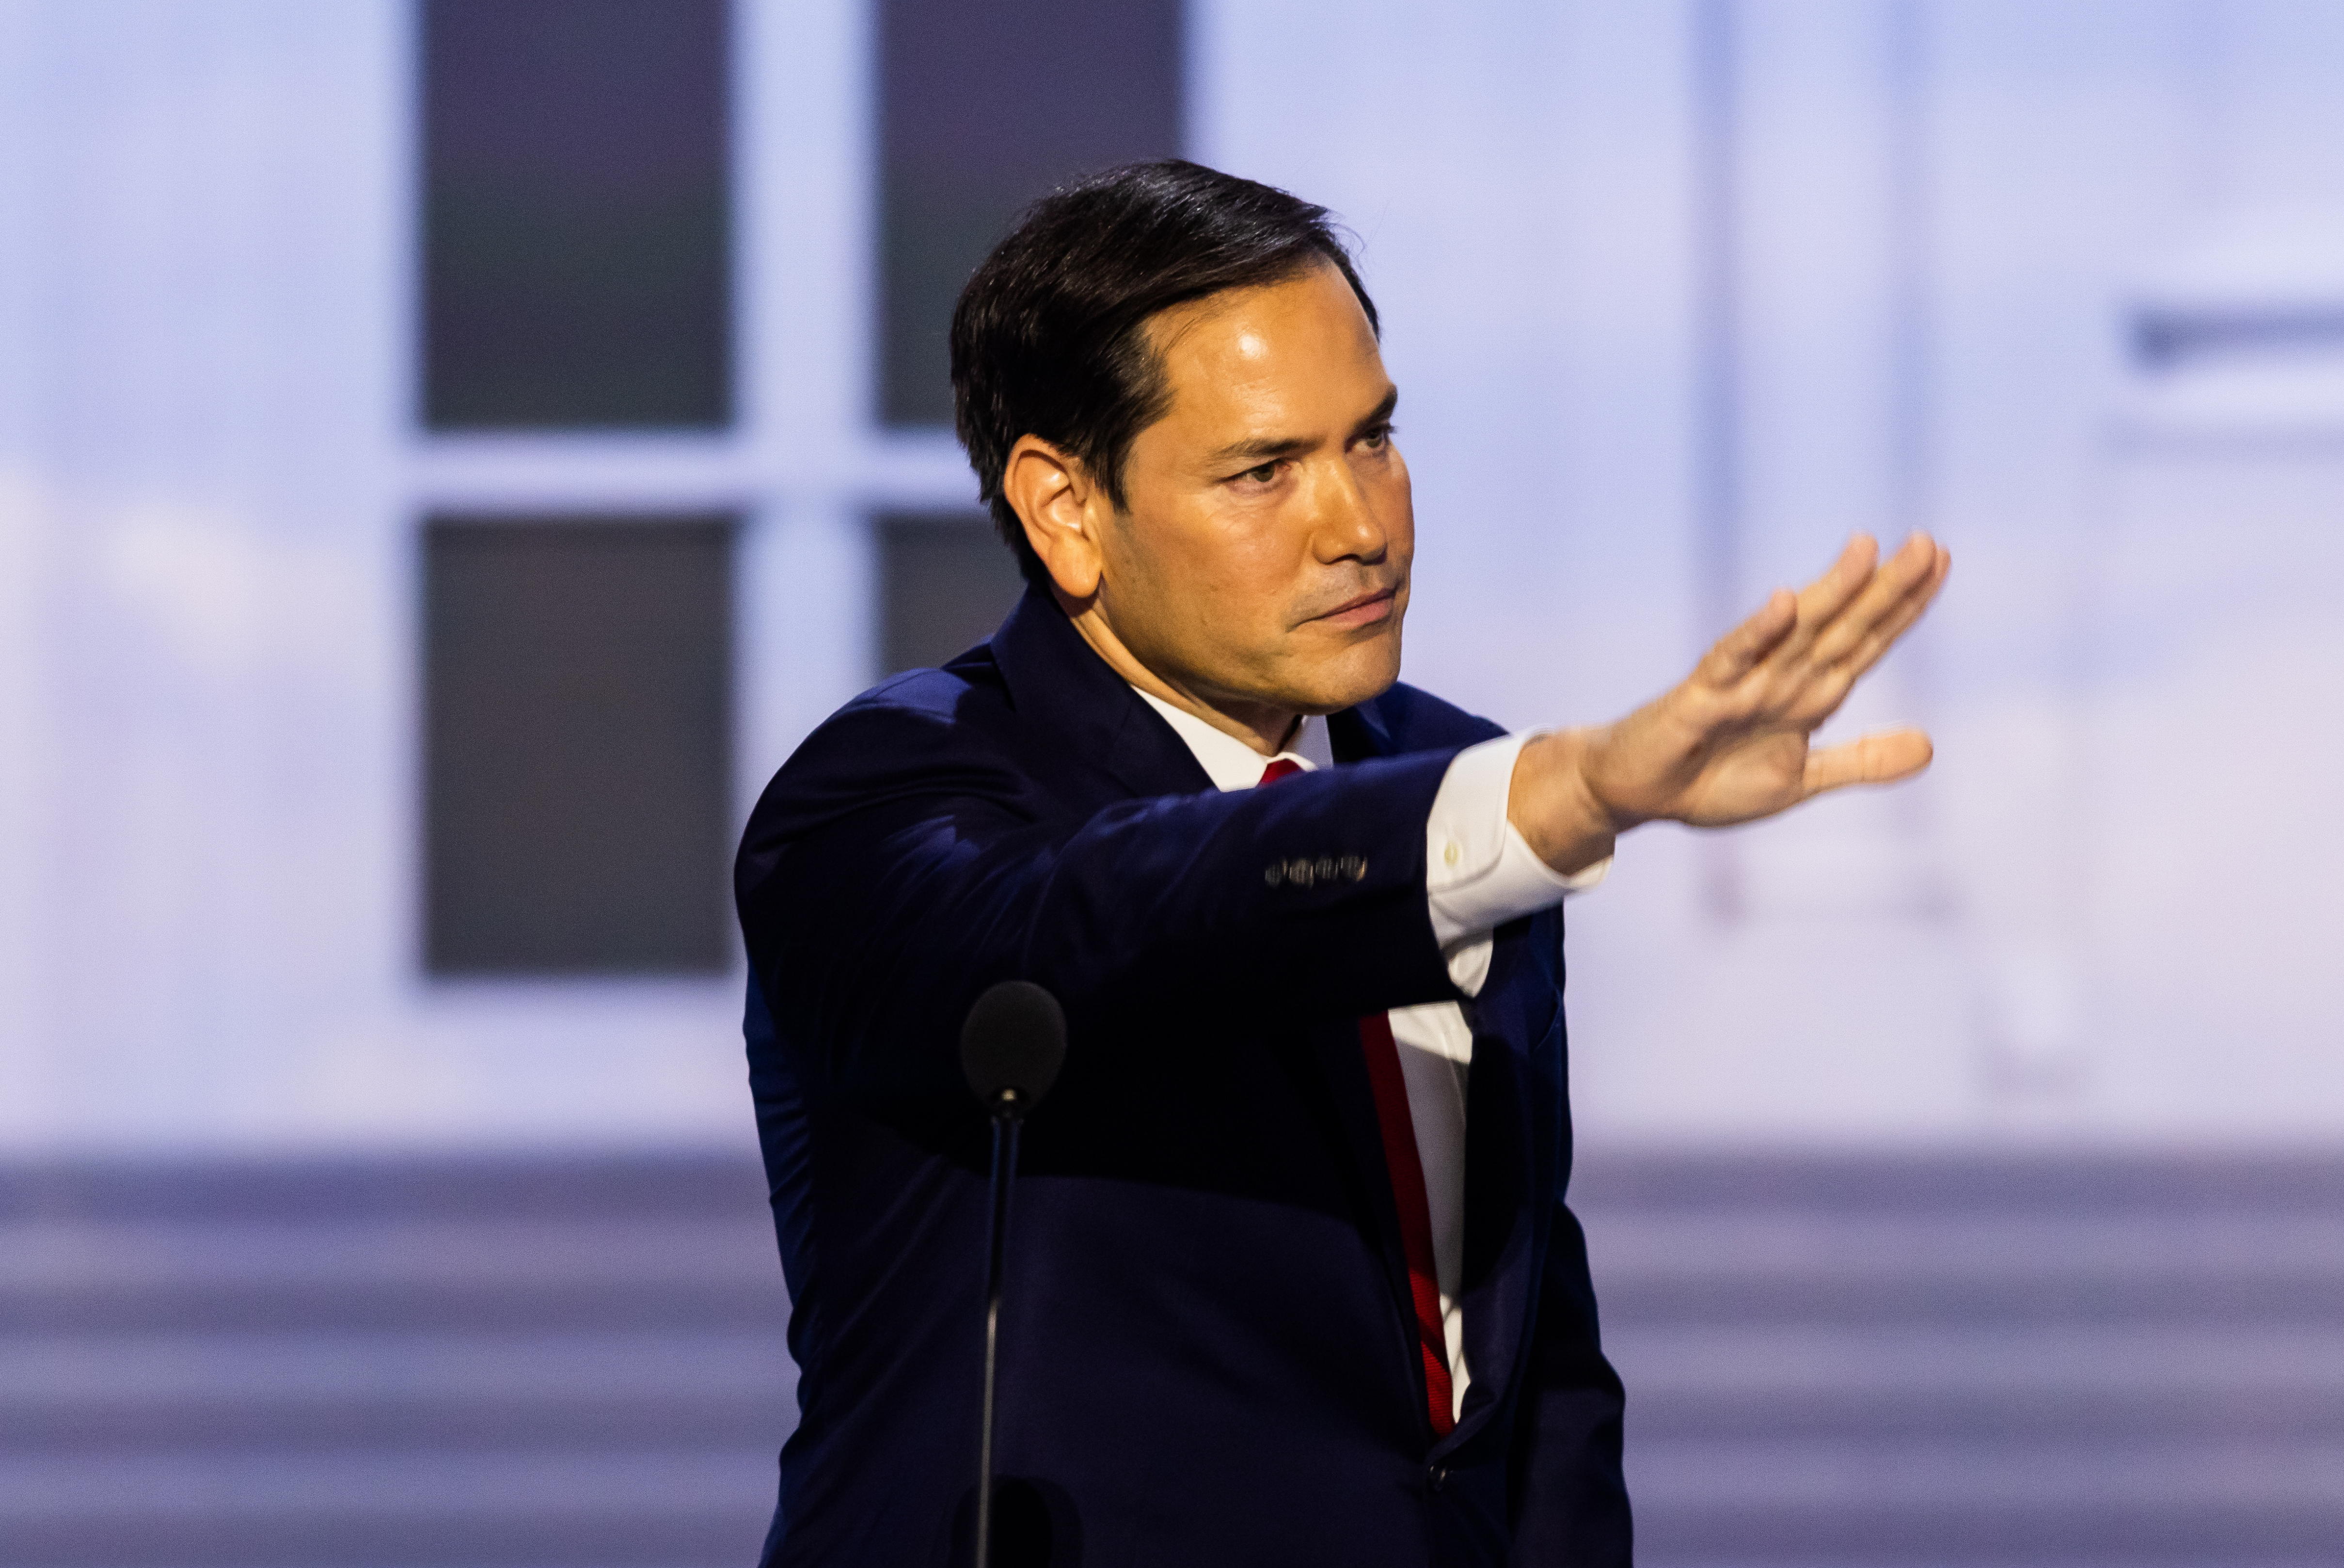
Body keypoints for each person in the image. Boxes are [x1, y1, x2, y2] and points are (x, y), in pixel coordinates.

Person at [735, 160, 1947, 1568]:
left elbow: (1526, 1360)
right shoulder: (889, 793)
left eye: (1373, 439)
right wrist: (1561, 796)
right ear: (1066, 509)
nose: (1362, 525)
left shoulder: (1448, 778)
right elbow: (1096, 921)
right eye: (1265, 471)